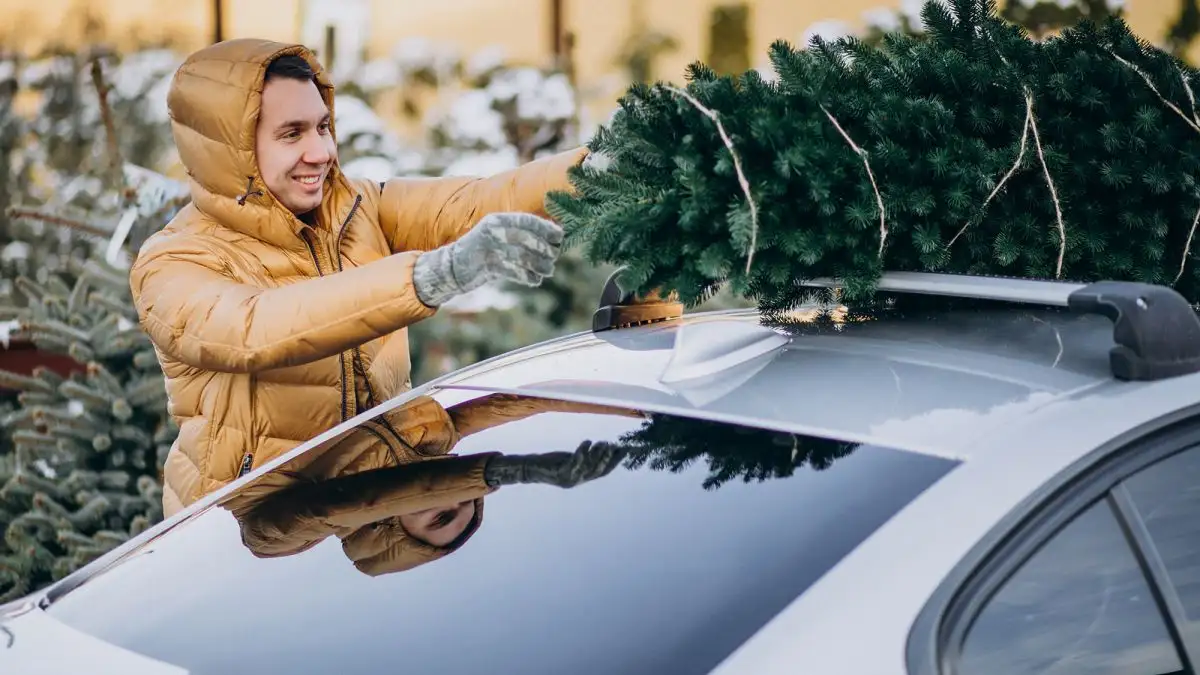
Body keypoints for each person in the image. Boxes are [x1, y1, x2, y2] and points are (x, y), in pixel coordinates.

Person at [129, 39, 595, 518]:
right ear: (231, 150)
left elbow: (473, 203)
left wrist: (594, 169)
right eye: (291, 134)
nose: (320, 151)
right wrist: (433, 276)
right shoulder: (173, 261)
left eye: (323, 126)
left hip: (372, 511)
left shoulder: (358, 208)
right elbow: (254, 330)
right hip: (240, 543)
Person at [222, 393, 643, 575]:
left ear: (393, 534)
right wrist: (639, 412)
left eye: (444, 513)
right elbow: (514, 403)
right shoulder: (432, 440)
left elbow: (342, 505)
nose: (455, 496)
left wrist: (514, 471)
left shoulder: (281, 537)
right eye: (466, 500)